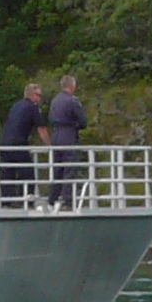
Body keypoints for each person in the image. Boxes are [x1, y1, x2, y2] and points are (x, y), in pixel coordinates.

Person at [0, 83, 48, 203]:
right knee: (27, 172)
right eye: (38, 95)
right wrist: (49, 145)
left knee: (7, 173)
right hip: (18, 144)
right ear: (32, 95)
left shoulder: (16, 106)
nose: (39, 98)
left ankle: (7, 202)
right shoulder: (33, 107)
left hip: (4, 144)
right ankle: (25, 200)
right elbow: (41, 128)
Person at [47, 75, 88, 208]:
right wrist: (76, 125)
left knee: (57, 169)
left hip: (56, 135)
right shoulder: (72, 101)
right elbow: (83, 121)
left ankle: (52, 198)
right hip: (69, 135)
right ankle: (68, 200)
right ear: (72, 86)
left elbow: (50, 118)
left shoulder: (55, 101)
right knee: (69, 168)